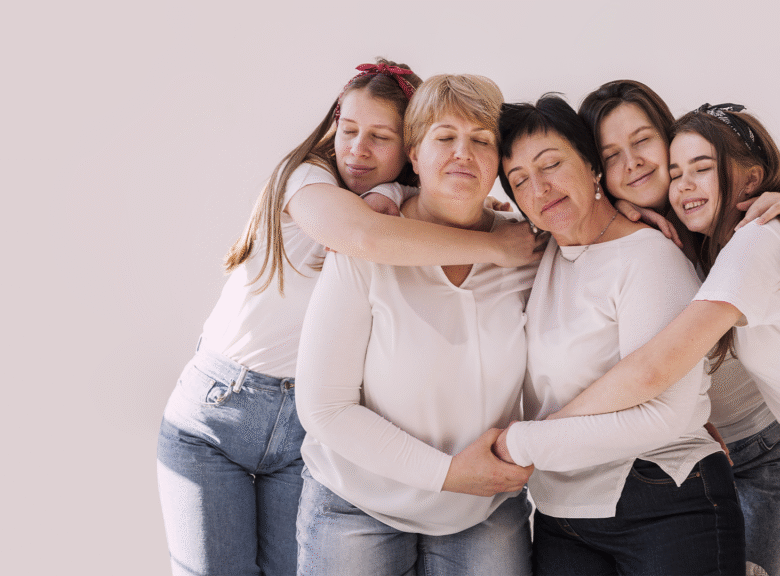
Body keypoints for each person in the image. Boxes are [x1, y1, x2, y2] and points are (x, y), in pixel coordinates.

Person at [155, 60, 544, 576]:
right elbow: (363, 237)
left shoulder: (390, 206)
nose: (359, 149)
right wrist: (495, 246)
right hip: (222, 403)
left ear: (405, 150)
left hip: (301, 428)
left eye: (380, 137)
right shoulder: (312, 182)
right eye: (349, 130)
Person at [294, 73, 536, 576]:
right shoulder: (366, 244)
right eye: (445, 137)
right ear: (414, 155)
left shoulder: (528, 250)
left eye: (481, 140)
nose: (463, 153)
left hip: (483, 507)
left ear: (499, 161)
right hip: (356, 502)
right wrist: (447, 473)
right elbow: (323, 408)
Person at [493, 94, 744, 574]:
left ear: (592, 167)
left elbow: (664, 415)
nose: (540, 188)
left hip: (664, 496)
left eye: (551, 165)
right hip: (561, 512)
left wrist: (523, 444)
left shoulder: (650, 256)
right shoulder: (535, 256)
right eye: (520, 180)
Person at [561, 82, 780, 576]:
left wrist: (549, 432)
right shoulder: (621, 236)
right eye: (611, 155)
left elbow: (656, 366)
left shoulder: (746, 228)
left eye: (643, 141)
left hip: (759, 442)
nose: (633, 163)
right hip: (686, 457)